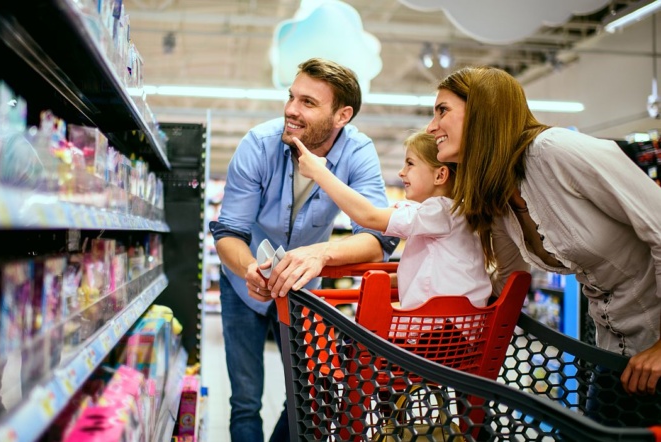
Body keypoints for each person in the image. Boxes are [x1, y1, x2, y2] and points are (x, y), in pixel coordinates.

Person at [425, 66, 661, 400]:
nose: (431, 126)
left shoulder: (556, 151)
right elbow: (509, 278)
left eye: (442, 111)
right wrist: (435, 312)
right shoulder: (501, 193)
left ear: (482, 111)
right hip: (614, 353)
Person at [209, 57, 399, 442]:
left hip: (302, 289)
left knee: (310, 394)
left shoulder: (357, 153)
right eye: (292, 97)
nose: (291, 110)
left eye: (308, 102)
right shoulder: (258, 145)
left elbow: (380, 238)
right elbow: (229, 230)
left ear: (342, 115)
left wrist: (321, 254)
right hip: (242, 284)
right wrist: (248, 268)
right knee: (245, 400)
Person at [294, 131, 491, 309]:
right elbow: (432, 273)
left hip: (441, 330)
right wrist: (388, 280)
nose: (401, 172)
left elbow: (369, 216)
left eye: (410, 163)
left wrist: (319, 173)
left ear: (440, 175)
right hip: (454, 326)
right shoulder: (451, 213)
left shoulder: (440, 210)